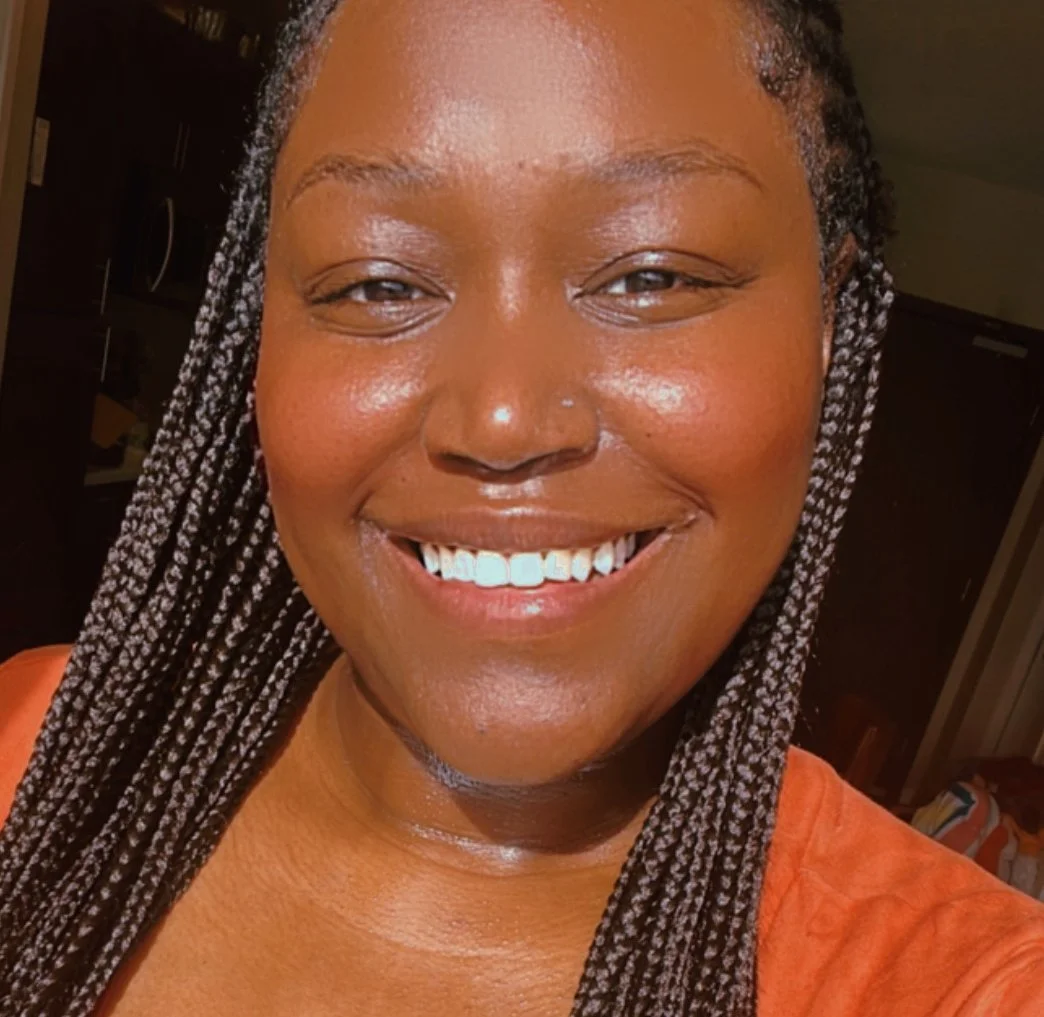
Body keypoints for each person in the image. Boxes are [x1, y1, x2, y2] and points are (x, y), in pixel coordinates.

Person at [1, 0, 1041, 1014]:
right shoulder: (30, 752)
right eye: (375, 284)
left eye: (650, 274)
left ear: (825, 325)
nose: (500, 418)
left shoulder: (973, 986)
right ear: (253, 337)